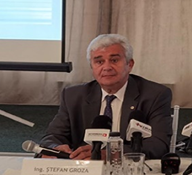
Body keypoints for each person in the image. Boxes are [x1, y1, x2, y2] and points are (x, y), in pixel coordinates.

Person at [41, 34, 172, 160]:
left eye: (114, 60)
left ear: (129, 64)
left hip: (130, 168)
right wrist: (55, 148)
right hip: (85, 168)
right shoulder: (73, 95)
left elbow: (158, 144)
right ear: (92, 67)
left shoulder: (155, 95)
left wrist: (111, 153)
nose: (107, 67)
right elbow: (52, 137)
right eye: (99, 61)